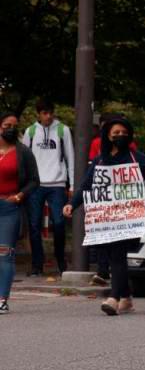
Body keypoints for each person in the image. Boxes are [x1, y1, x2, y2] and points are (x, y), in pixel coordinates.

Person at [64, 117, 145, 316]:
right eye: (116, 133)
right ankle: (126, 299)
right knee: (113, 257)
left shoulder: (136, 158)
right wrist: (71, 205)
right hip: (106, 220)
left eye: (124, 133)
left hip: (127, 218)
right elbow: (86, 185)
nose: (120, 136)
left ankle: (114, 298)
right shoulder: (100, 160)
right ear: (108, 135)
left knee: (117, 256)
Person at [22, 99, 74, 277]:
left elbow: (70, 157)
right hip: (36, 185)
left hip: (57, 184)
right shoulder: (30, 131)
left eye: (50, 112)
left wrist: (72, 184)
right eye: (44, 113)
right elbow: (25, 159)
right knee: (34, 225)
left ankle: (61, 261)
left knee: (59, 224)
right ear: (39, 114)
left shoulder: (63, 130)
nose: (48, 116)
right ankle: (37, 264)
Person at [0, 113, 40, 314]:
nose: (11, 129)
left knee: (5, 254)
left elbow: (34, 180)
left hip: (9, 208)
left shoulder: (23, 152)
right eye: (7, 125)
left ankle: (2, 299)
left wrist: (19, 196)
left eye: (14, 126)